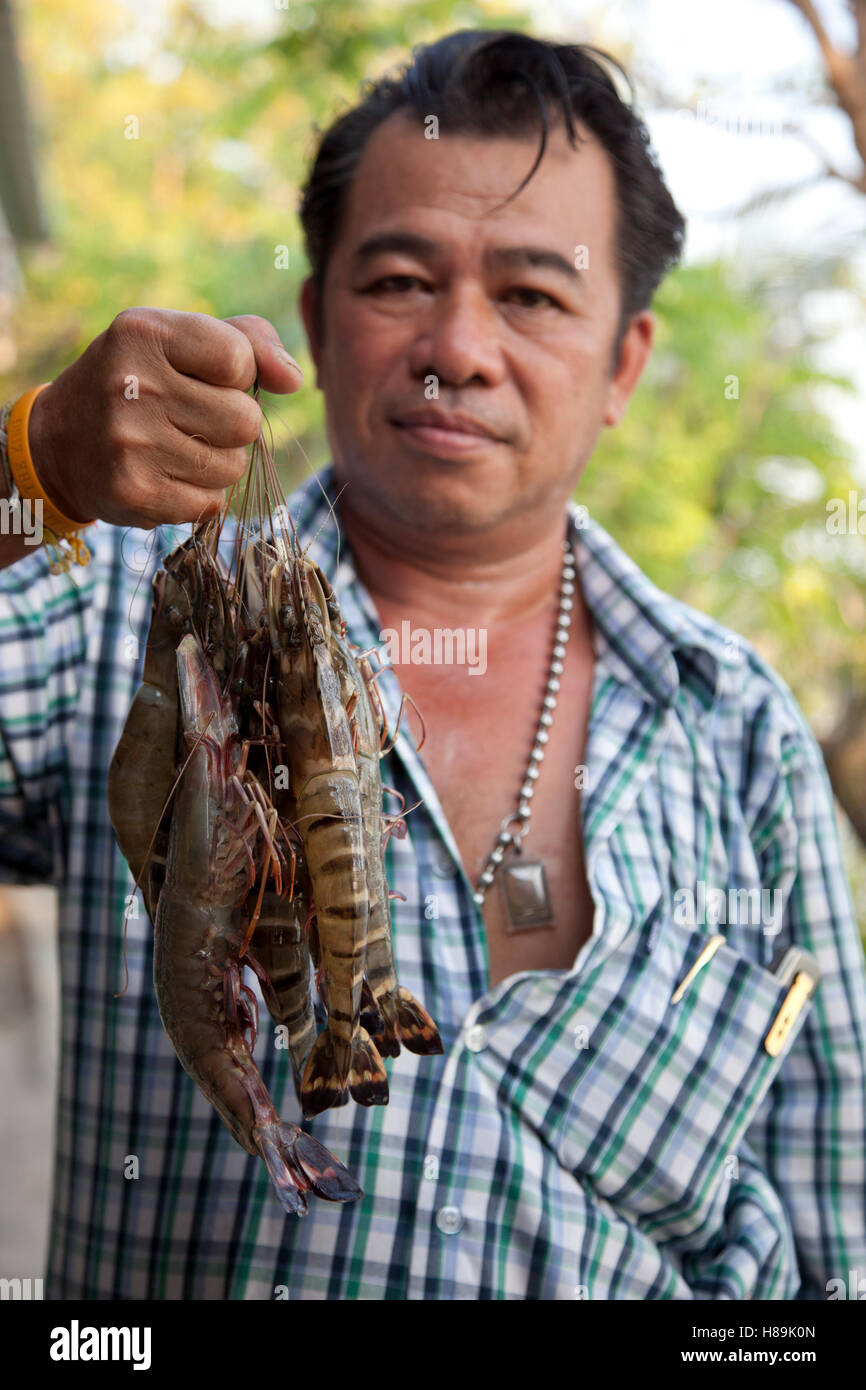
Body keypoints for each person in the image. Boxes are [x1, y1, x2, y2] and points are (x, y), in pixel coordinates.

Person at [1, 29, 864, 1301]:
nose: (457, 344)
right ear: (314, 317)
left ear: (624, 359)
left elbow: (827, 1216)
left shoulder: (734, 726)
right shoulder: (112, 610)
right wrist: (27, 472)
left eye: (530, 292)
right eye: (400, 278)